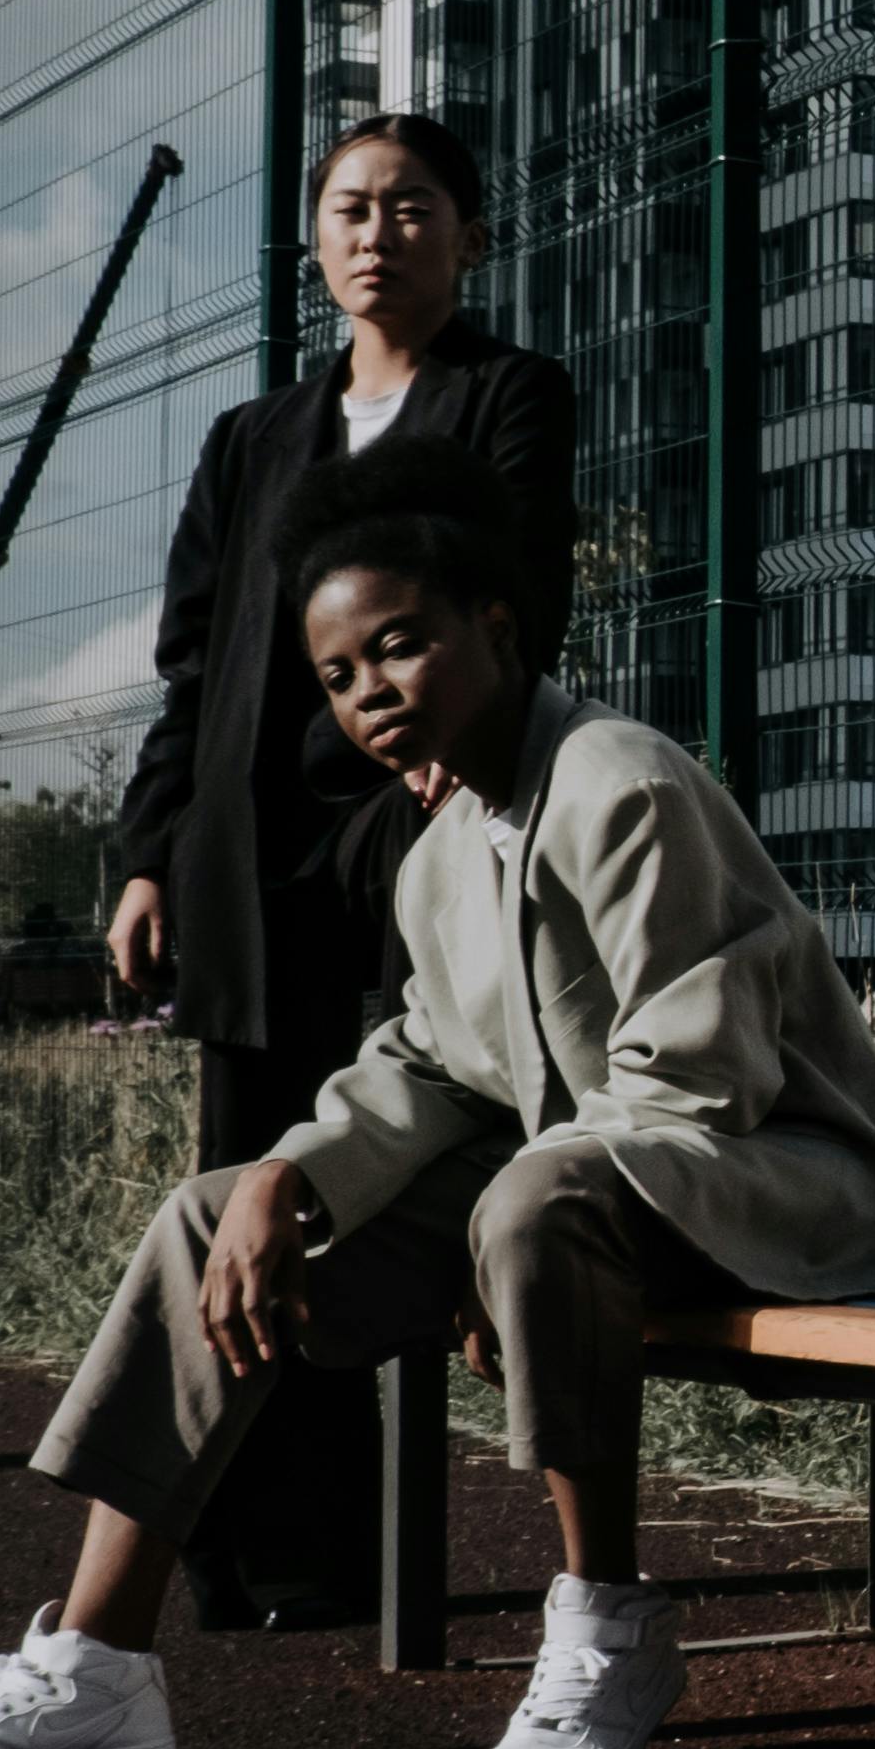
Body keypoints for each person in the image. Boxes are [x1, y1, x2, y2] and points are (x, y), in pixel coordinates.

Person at [0, 439, 875, 1749]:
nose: (373, 694)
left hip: (775, 1194)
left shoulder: (622, 784)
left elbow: (696, 1080)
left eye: (402, 647)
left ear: (494, 628)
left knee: (529, 1206)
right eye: (340, 675)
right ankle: (93, 1672)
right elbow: (434, 1065)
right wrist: (287, 1177)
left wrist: (513, 1230)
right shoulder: (440, 850)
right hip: (588, 1192)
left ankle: (606, 1623)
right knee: (215, 1217)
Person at [102, 112, 573, 1628]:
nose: (381, 232)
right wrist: (151, 853)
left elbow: (522, 596)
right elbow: (193, 668)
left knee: (373, 1188)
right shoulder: (252, 439)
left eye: (416, 207)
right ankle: (261, 1559)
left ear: (469, 236)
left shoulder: (508, 396)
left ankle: (376, 1546)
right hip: (247, 868)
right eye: (353, 208)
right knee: (248, 1196)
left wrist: (450, 767)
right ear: (318, 243)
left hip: (405, 837)